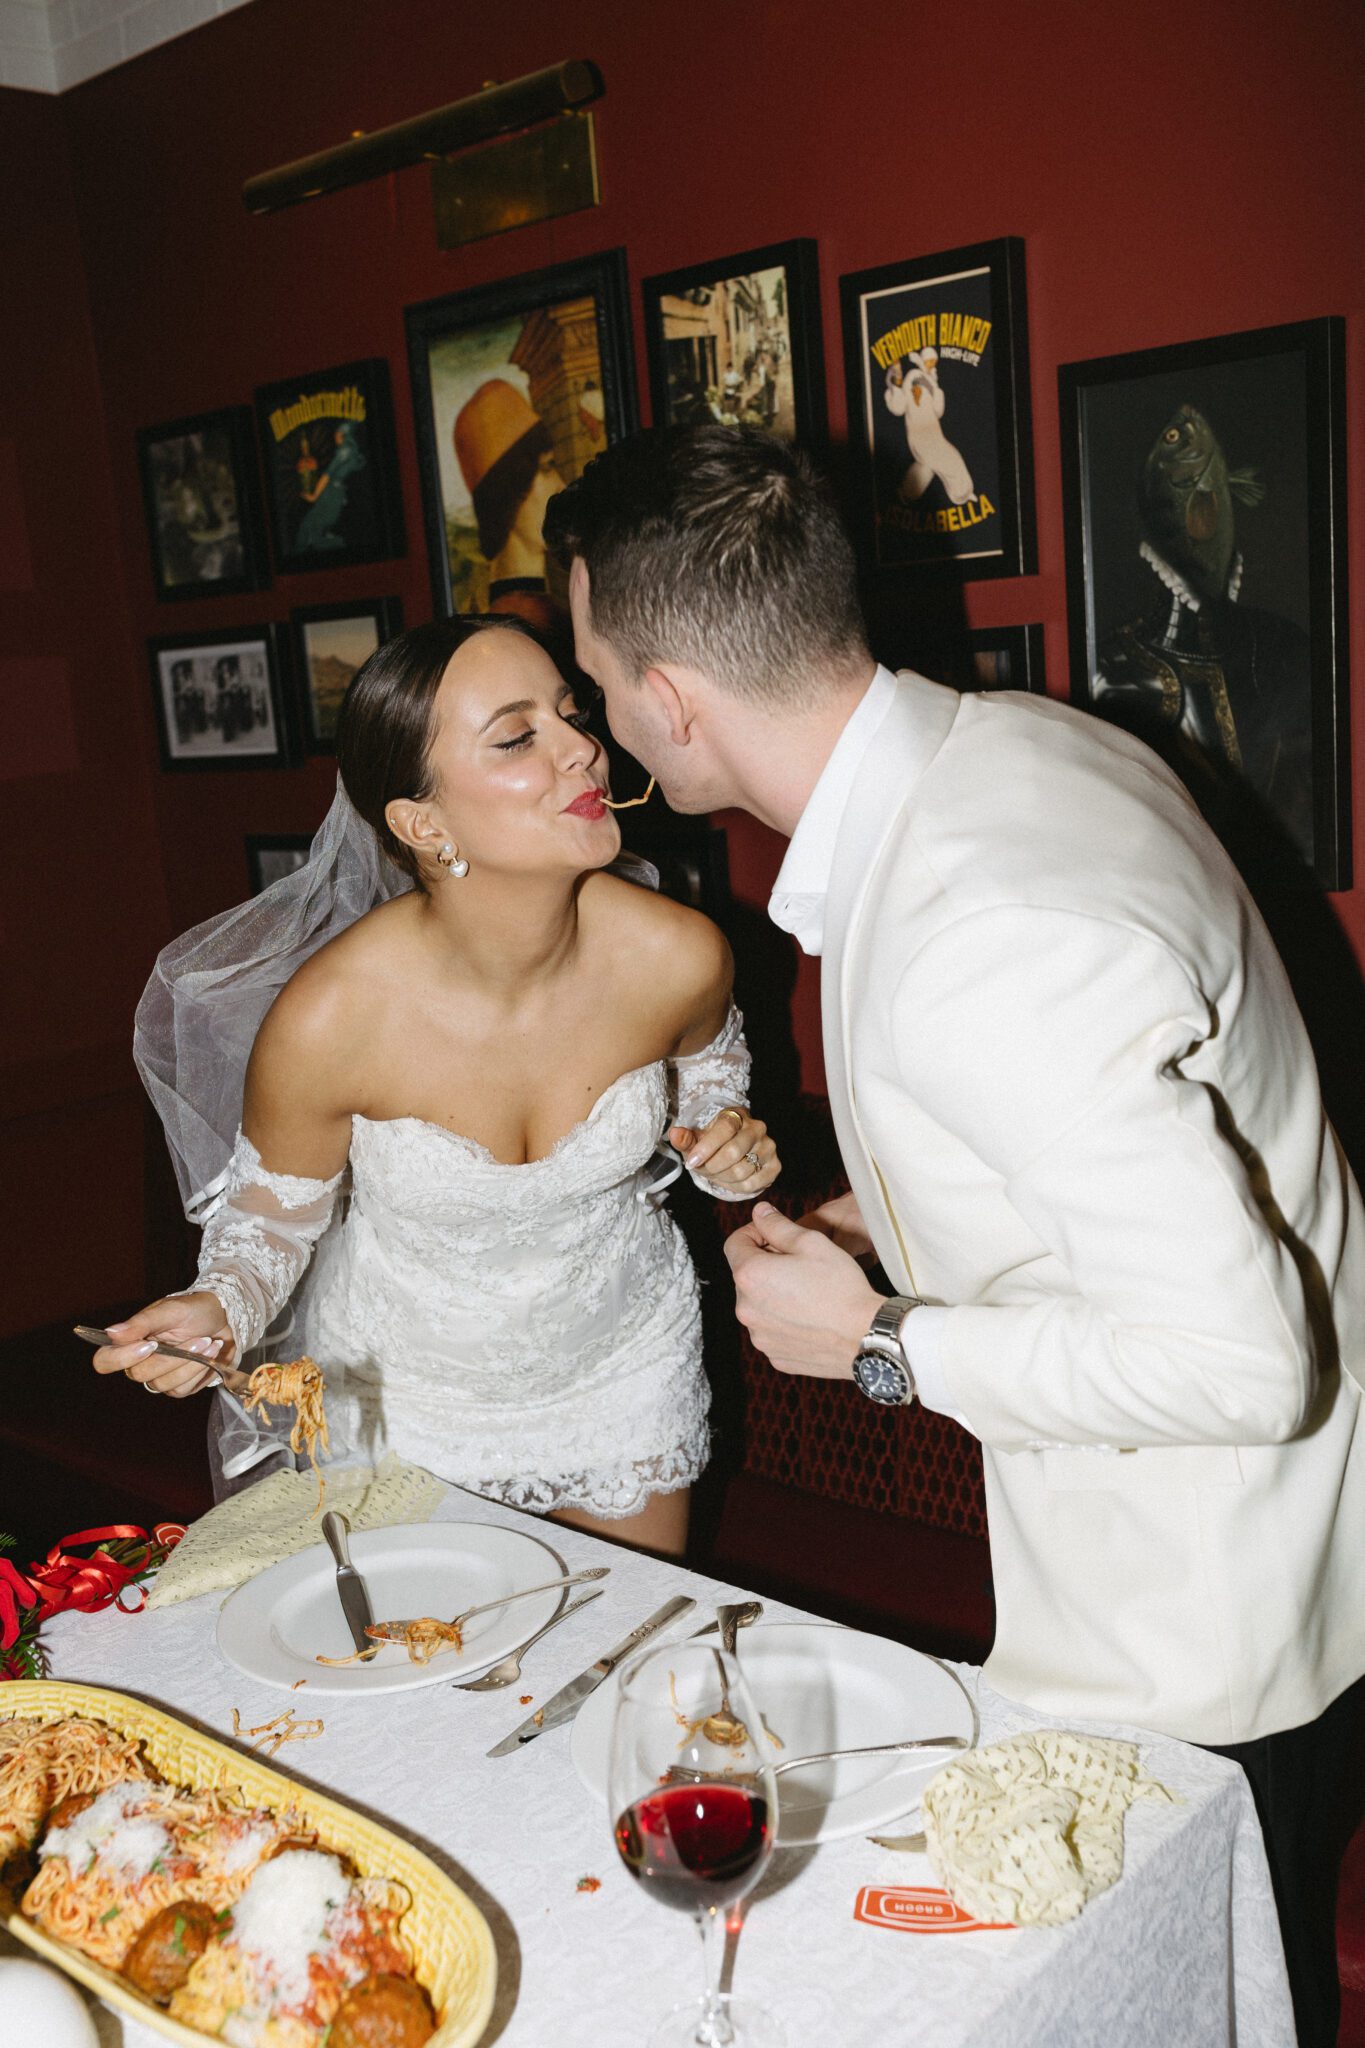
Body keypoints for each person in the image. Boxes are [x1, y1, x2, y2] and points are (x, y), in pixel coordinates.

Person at [546, 422, 1365, 2042]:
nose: (603, 715)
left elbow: (1242, 1359)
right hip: (1266, 1559)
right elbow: (1105, 1138)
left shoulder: (987, 921)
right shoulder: (1006, 746)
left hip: (1208, 1634)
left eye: (597, 677)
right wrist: (896, 1223)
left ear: (672, 703)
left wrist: (873, 1341)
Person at [95, 614, 779, 1559]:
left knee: (625, 1657)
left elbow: (712, 1085)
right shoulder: (331, 1019)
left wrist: (726, 1144)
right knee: (420, 1678)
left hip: (622, 1367)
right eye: (516, 737)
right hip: (395, 1398)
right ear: (422, 824)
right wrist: (219, 1312)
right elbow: (270, 1221)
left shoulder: (678, 954)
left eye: (569, 715)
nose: (582, 748)